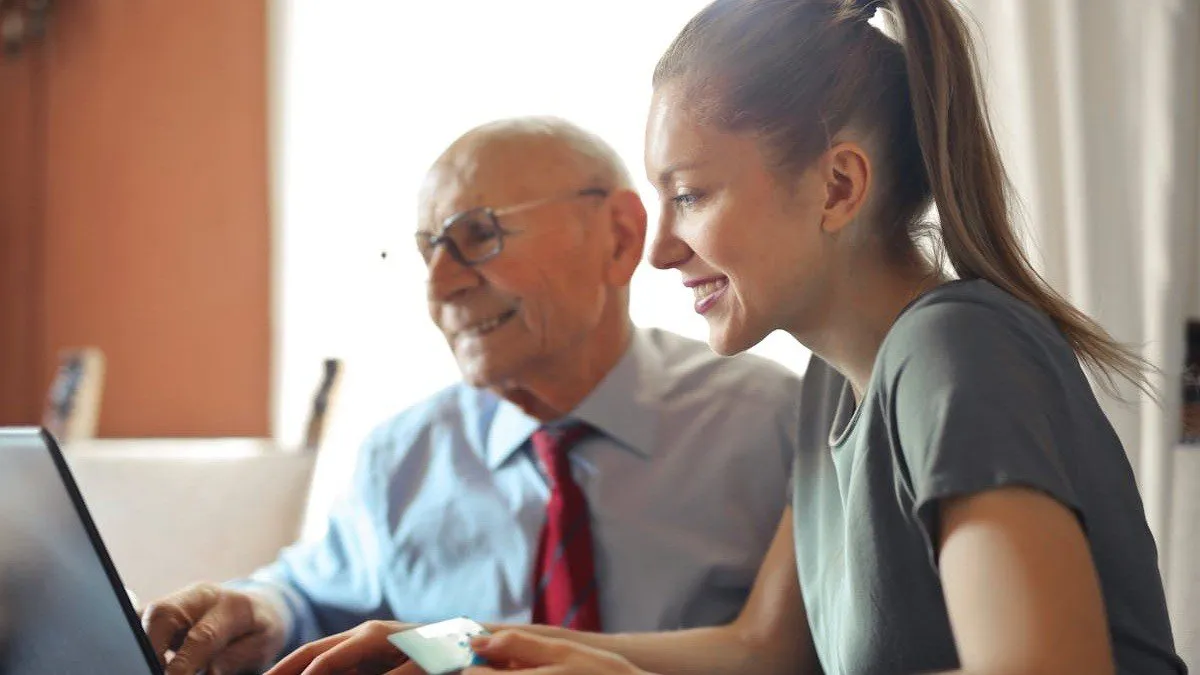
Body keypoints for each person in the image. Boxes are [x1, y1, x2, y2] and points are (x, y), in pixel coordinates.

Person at [265, 0, 1188, 673]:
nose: (661, 248)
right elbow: (759, 649)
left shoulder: (952, 355)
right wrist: (458, 646)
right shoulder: (835, 384)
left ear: (836, 187)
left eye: (691, 194)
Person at [139, 116, 805, 675]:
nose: (439, 286)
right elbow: (309, 595)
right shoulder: (402, 455)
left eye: (477, 235)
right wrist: (260, 611)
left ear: (620, 237)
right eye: (429, 250)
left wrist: (448, 645)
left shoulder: (778, 425)